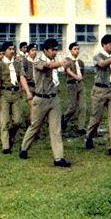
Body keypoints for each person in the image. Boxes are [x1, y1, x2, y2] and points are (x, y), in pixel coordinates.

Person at [19, 38, 72, 167]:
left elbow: (58, 65)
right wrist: (61, 63)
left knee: (56, 129)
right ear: (45, 50)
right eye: (52, 50)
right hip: (40, 99)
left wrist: (66, 62)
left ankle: (58, 158)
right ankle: (24, 148)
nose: (54, 52)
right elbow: (47, 66)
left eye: (56, 50)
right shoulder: (38, 60)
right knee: (35, 126)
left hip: (53, 99)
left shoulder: (54, 60)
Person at [85, 34, 111, 157]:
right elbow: (102, 64)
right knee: (96, 118)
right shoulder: (98, 56)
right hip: (99, 90)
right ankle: (89, 136)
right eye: (110, 44)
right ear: (104, 45)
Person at [0, 41, 30, 154]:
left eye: (13, 49)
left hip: (16, 93)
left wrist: (27, 91)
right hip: (4, 94)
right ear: (4, 51)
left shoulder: (18, 64)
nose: (13, 51)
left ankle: (10, 136)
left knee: (18, 121)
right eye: (10, 49)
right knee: (4, 122)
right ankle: (6, 147)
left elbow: (22, 77)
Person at [61, 42, 86, 137]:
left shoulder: (80, 62)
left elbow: (83, 73)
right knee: (72, 107)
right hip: (71, 85)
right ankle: (64, 119)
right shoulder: (67, 60)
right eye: (75, 49)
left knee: (83, 107)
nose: (77, 51)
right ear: (71, 50)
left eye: (78, 49)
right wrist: (76, 77)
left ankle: (81, 127)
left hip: (80, 85)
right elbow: (67, 70)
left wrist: (81, 79)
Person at [21, 43, 37, 127]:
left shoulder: (37, 61)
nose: (34, 52)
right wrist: (24, 87)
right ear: (28, 51)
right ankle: (32, 126)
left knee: (36, 108)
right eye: (32, 50)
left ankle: (29, 121)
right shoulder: (25, 61)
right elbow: (22, 75)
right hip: (29, 86)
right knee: (33, 107)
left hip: (37, 87)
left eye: (35, 50)